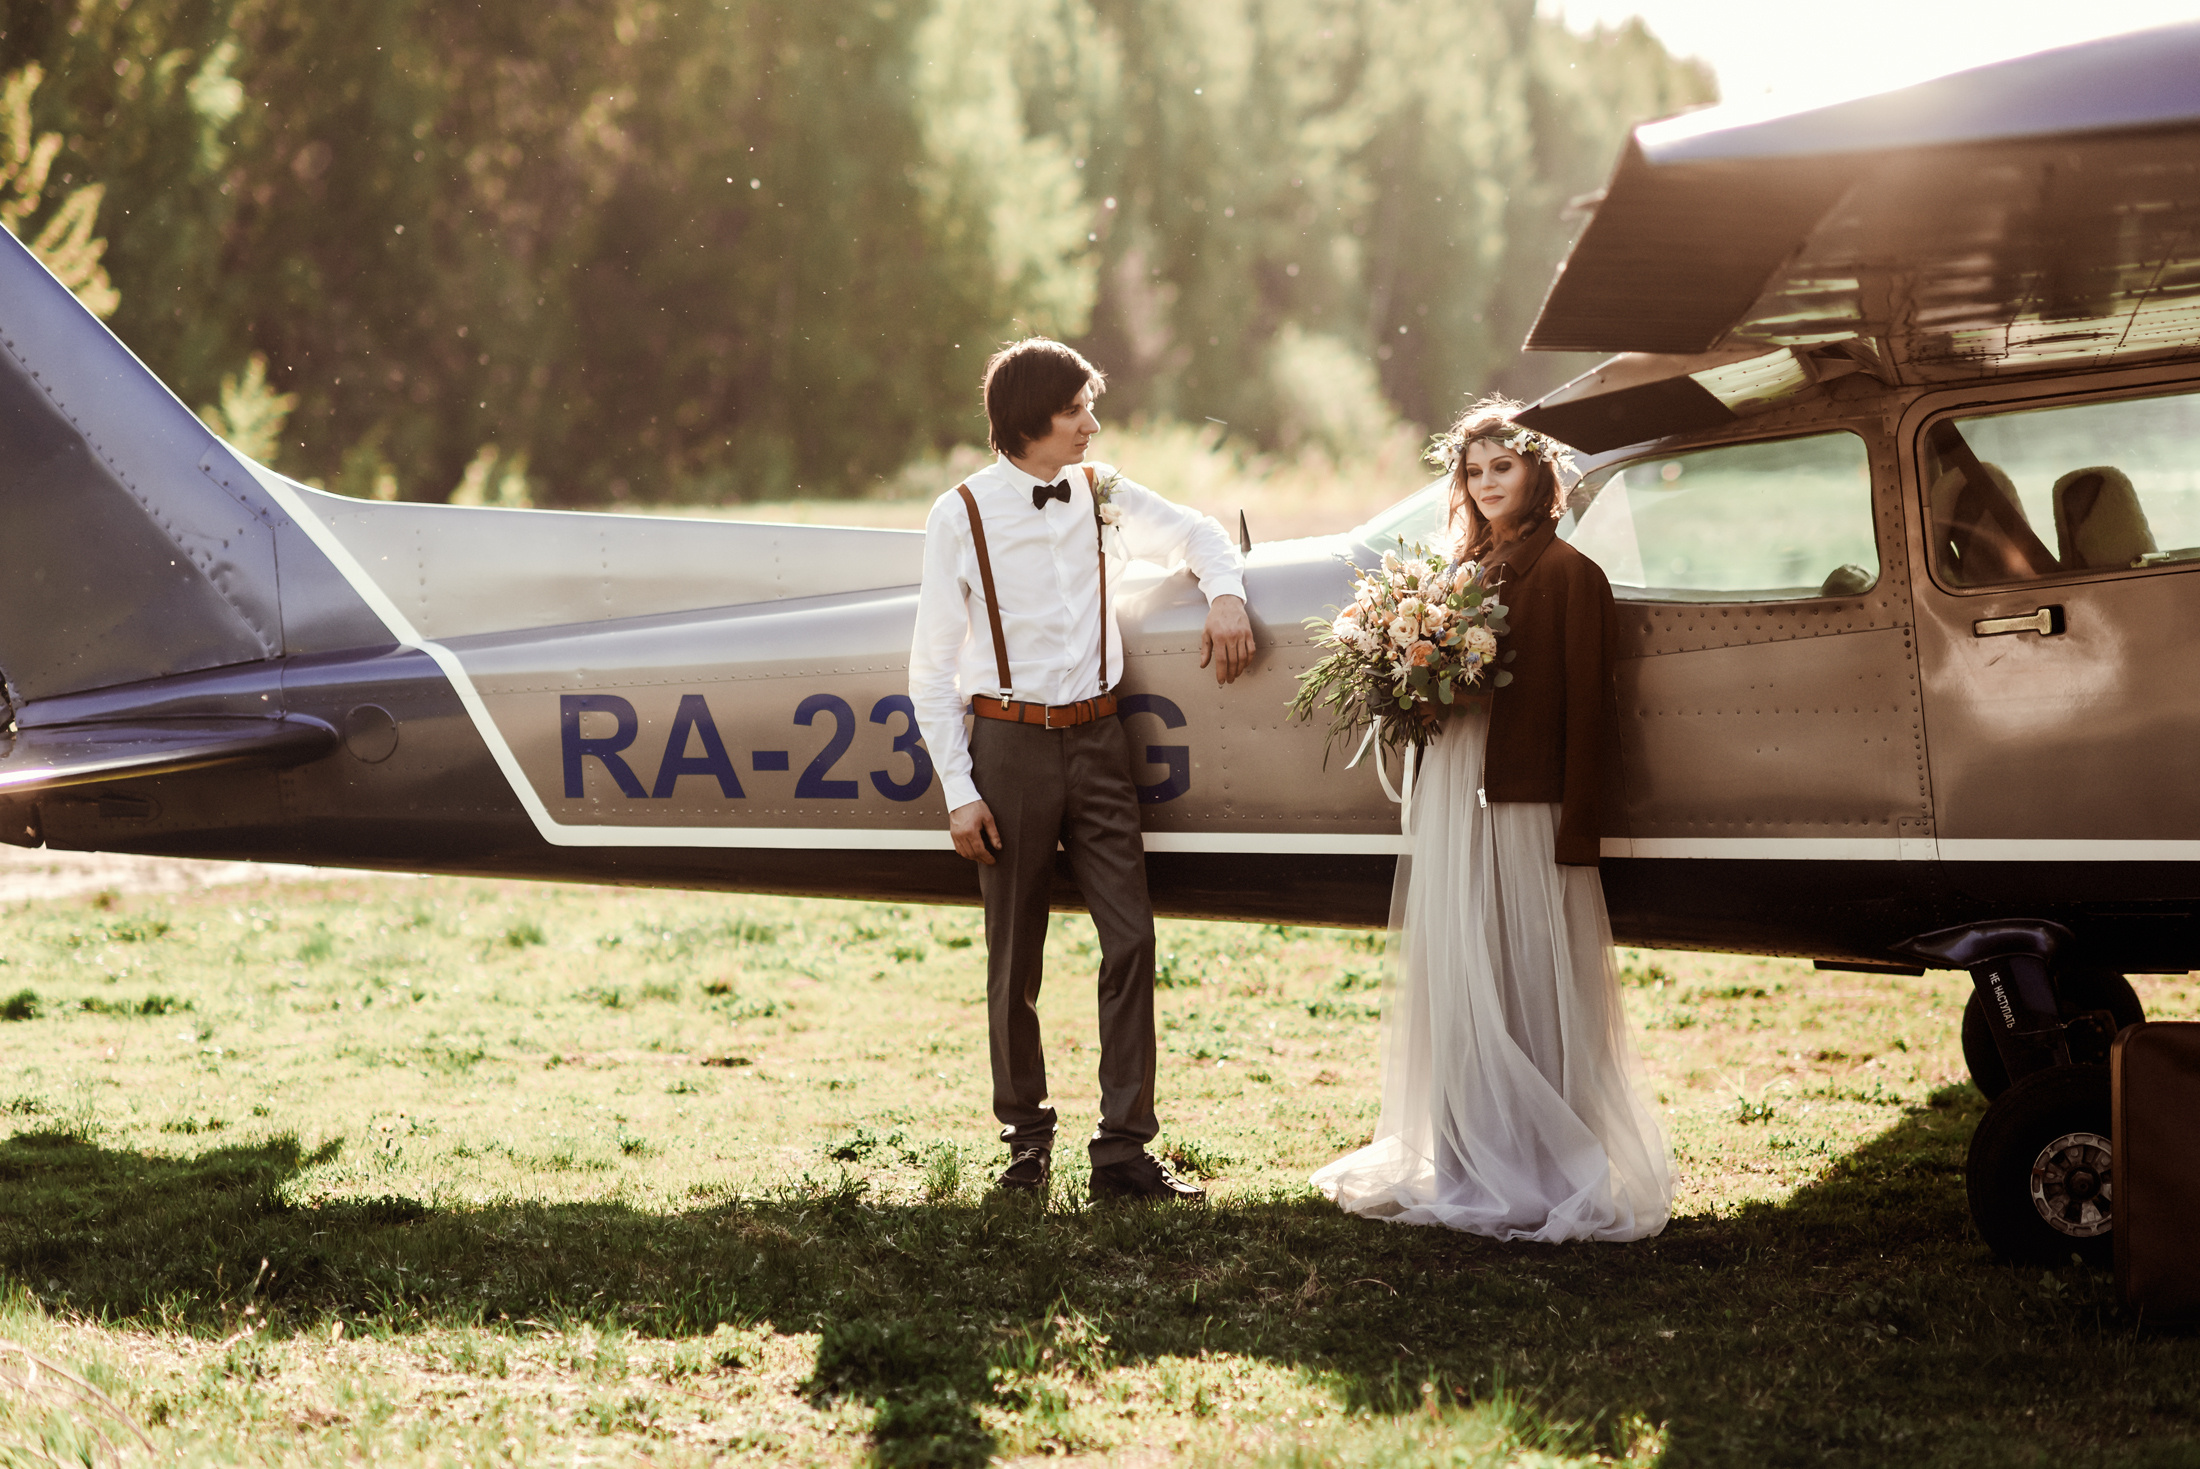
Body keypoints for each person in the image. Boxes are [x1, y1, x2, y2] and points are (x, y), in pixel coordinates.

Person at [1310, 396, 1673, 1242]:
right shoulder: (1458, 572)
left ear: (1538, 470)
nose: (1483, 485)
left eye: (1500, 467)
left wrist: (1580, 823)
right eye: (1471, 472)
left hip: (1521, 794)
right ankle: (1467, 1145)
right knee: (1460, 955)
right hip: (1454, 787)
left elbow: (1589, 706)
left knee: (1524, 963)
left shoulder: (1571, 574)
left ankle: (1544, 1155)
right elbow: (1440, 686)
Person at [908, 337, 1256, 1203]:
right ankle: (1025, 1144)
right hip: (1009, 746)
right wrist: (959, 791)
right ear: (1029, 422)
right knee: (1014, 954)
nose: (1092, 426)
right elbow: (929, 668)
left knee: (1131, 936)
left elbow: (1203, 531)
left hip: (1101, 742)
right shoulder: (960, 514)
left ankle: (1124, 1152)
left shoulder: (1103, 489)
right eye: (1075, 414)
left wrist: (1225, 593)